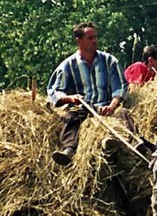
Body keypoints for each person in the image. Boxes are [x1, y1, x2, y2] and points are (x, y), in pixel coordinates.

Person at [47, 22, 135, 166]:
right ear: (79, 40)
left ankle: (133, 143)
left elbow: (120, 87)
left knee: (124, 113)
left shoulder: (109, 61)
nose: (94, 41)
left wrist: (112, 106)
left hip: (106, 108)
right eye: (90, 38)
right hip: (83, 109)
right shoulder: (68, 65)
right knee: (71, 118)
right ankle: (69, 150)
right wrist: (70, 98)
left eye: (95, 37)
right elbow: (55, 91)